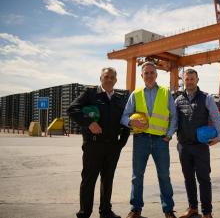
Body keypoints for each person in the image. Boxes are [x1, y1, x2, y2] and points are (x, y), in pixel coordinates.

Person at [67, 67, 131, 218]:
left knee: (107, 180)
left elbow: (126, 119)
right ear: (100, 78)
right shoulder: (90, 94)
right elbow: (72, 109)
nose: (109, 79)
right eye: (106, 76)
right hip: (93, 145)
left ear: (115, 80)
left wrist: (122, 142)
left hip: (112, 146)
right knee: (89, 179)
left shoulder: (120, 99)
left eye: (111, 77)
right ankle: (85, 212)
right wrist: (88, 122)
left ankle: (106, 211)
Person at [120, 62, 177, 218]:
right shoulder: (136, 94)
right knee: (137, 176)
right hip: (141, 140)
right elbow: (124, 116)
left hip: (161, 141)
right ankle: (136, 208)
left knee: (164, 175)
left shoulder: (166, 93)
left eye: (152, 72)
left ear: (156, 75)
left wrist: (170, 134)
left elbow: (174, 116)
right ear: (142, 76)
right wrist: (131, 122)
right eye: (146, 73)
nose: (149, 75)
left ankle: (168, 210)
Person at [175, 69, 220, 218]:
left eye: (192, 79)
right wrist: (168, 135)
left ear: (197, 80)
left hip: (200, 147)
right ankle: (192, 208)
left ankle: (207, 212)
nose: (189, 81)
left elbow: (216, 117)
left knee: (203, 179)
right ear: (183, 81)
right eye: (187, 79)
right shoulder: (178, 100)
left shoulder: (206, 98)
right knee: (188, 178)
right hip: (183, 145)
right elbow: (174, 121)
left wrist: (219, 136)